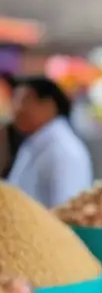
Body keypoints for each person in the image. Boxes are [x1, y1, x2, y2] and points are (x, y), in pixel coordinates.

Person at [5, 75, 92, 207]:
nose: (16, 109)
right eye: (14, 101)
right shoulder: (33, 143)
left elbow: (66, 210)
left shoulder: (64, 150)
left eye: (24, 101)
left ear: (49, 105)